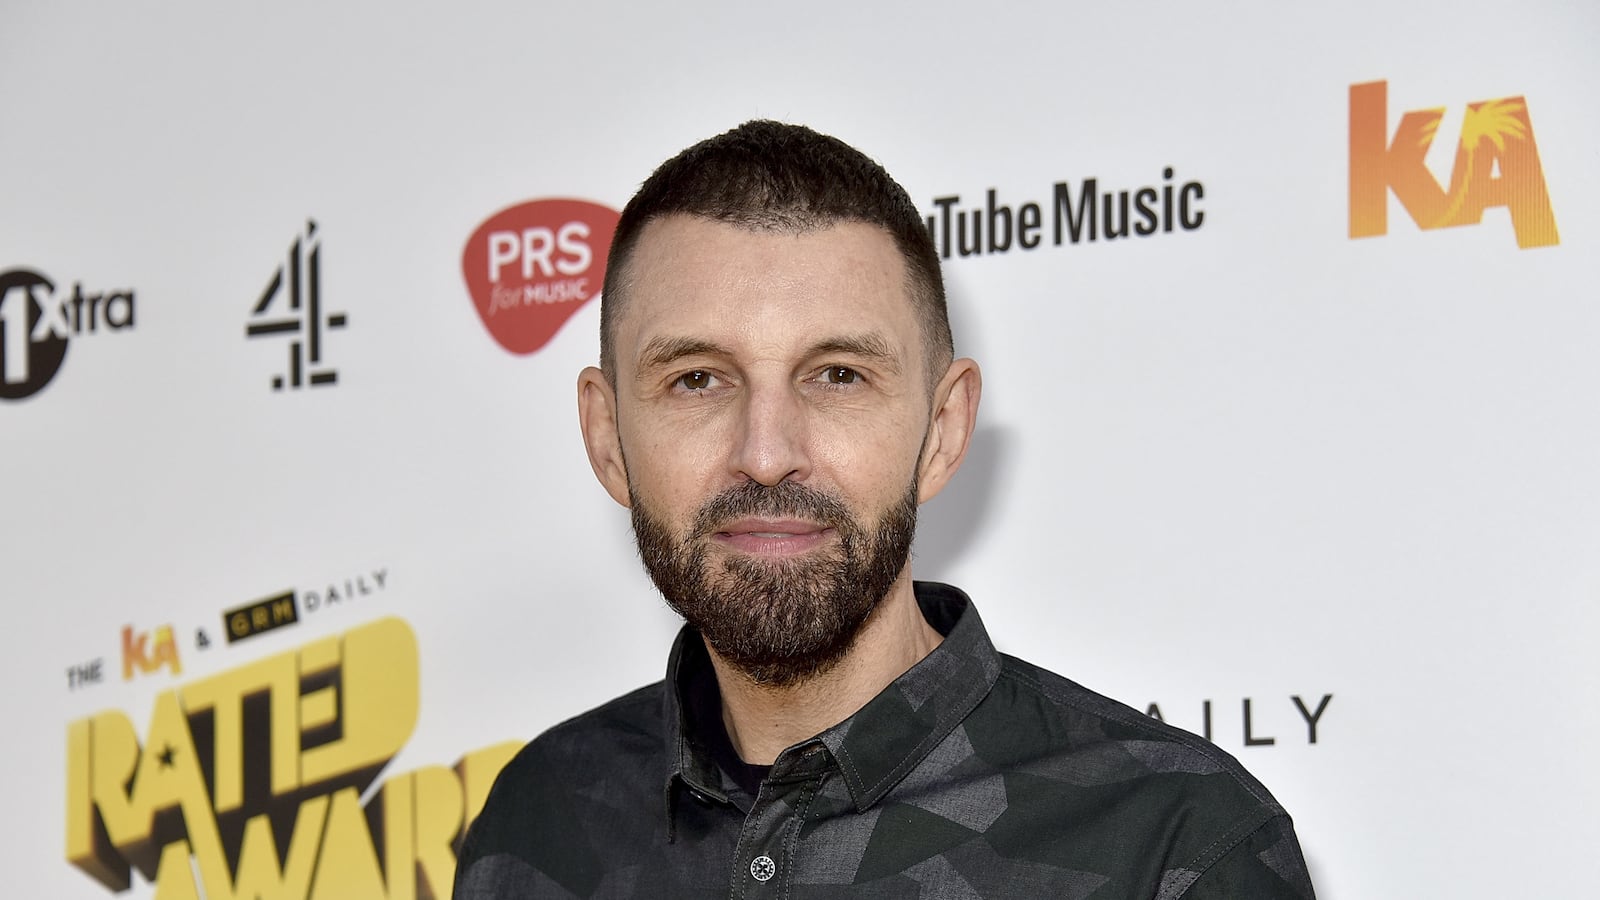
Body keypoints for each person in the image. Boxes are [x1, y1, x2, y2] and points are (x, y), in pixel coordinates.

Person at [454, 121, 1316, 899]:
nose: (766, 452)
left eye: (838, 376)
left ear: (942, 430)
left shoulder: (1175, 847)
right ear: (608, 437)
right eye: (697, 379)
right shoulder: (538, 822)